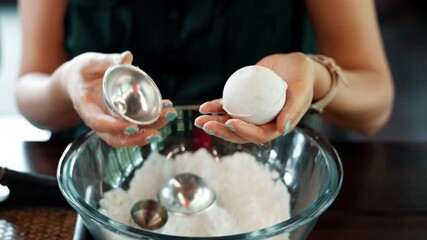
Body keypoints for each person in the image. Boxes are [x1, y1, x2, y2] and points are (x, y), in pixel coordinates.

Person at [16, 0, 394, 147]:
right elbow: (29, 89)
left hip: (265, 167)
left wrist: (316, 75)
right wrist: (66, 84)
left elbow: (375, 105)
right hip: (105, 164)